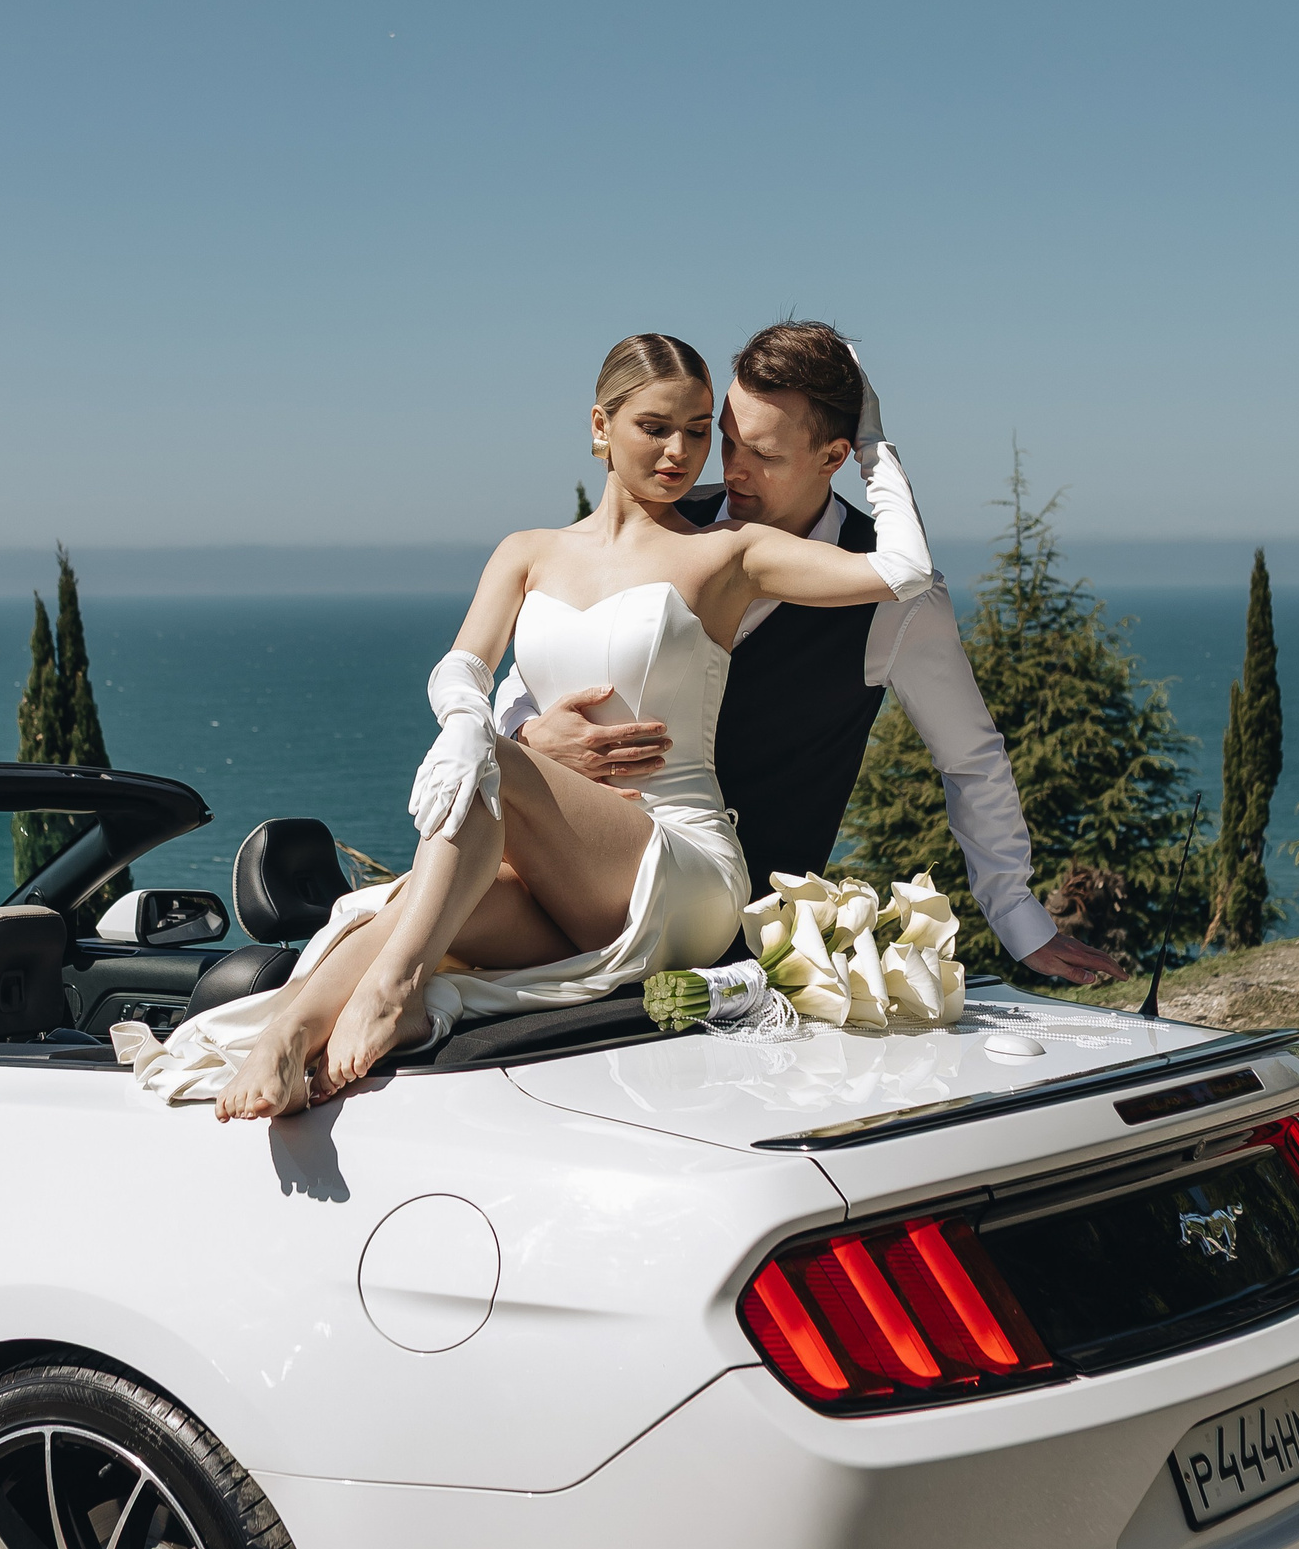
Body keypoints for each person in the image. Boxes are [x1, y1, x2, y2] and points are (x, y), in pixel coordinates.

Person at [138, 331, 939, 1118]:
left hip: (680, 867)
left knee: (479, 784)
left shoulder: (731, 553)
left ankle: (391, 992)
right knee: (421, 909)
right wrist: (464, 722)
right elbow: (462, 666)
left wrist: (872, 442)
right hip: (558, 872)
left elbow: (904, 572)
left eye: (699, 431)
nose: (681, 453)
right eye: (655, 427)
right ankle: (288, 1034)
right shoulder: (530, 552)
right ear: (600, 426)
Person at [497, 320, 1123, 988]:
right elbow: (535, 669)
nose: (731, 469)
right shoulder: (663, 520)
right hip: (560, 889)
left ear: (833, 456)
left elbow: (970, 759)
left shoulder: (895, 600)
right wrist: (528, 734)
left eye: (763, 454)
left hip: (733, 945)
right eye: (726, 439)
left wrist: (1018, 918)